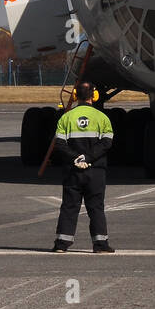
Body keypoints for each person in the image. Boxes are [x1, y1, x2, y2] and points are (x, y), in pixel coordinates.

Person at [51, 81, 115, 253]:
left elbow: (59, 144)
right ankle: (100, 244)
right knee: (96, 207)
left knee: (69, 206)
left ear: (75, 96)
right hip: (95, 170)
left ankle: (62, 244)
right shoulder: (102, 118)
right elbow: (106, 143)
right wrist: (88, 157)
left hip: (73, 170)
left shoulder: (66, 117)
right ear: (94, 96)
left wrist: (75, 158)